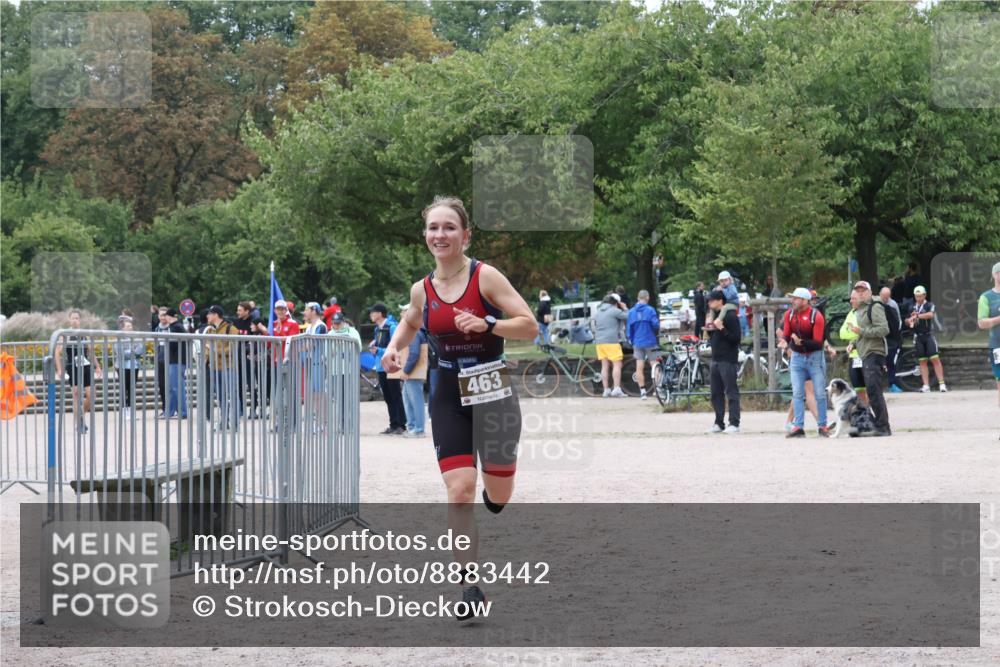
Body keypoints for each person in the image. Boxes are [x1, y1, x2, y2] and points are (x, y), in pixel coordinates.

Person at [381, 195, 537, 623]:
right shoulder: (422, 289)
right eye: (433, 227)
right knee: (459, 490)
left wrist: (489, 324)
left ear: (465, 235)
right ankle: (470, 585)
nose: (440, 235)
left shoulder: (485, 278)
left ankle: (497, 489)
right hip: (448, 393)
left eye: (449, 227)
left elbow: (530, 325)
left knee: (498, 494)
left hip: (492, 389)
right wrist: (395, 349)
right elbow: (412, 320)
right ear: (425, 236)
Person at [780, 287, 830, 438]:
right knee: (797, 393)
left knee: (820, 393)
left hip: (814, 357)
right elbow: (787, 335)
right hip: (797, 358)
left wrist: (800, 342)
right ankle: (798, 426)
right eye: (792, 298)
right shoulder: (789, 314)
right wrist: (784, 341)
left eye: (795, 298)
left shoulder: (817, 316)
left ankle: (822, 426)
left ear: (804, 300)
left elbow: (818, 343)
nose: (792, 301)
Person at [849, 281, 891, 436]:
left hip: (875, 353)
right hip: (866, 352)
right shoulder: (861, 309)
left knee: (874, 391)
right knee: (872, 391)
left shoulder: (875, 306)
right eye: (857, 291)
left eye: (862, 290)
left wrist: (862, 331)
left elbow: (883, 329)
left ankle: (883, 426)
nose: (859, 293)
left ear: (869, 292)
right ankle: (878, 424)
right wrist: (853, 343)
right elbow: (863, 333)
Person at [55, 310, 104, 435]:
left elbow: (91, 352)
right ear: (69, 319)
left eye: (77, 318)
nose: (75, 320)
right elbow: (57, 352)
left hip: (85, 366)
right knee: (76, 395)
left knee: (92, 394)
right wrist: (59, 369)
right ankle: (80, 423)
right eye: (73, 318)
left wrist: (98, 366)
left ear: (80, 319)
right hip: (73, 367)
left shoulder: (84, 334)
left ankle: (80, 414)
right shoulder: (65, 334)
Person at [705, 290, 741, 434]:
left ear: (720, 300)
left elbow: (736, 338)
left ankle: (734, 423)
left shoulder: (731, 316)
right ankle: (719, 423)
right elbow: (713, 337)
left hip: (728, 359)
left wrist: (722, 328)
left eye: (712, 300)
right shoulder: (714, 316)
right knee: (716, 393)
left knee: (731, 392)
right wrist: (709, 328)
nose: (709, 303)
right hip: (715, 358)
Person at [369, 303, 406, 435]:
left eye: (373, 312)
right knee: (388, 397)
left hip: (391, 366)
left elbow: (397, 347)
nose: (370, 315)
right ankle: (393, 424)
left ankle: (401, 424)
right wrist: (375, 346)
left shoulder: (392, 326)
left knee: (396, 395)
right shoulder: (377, 329)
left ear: (380, 313)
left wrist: (378, 350)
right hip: (380, 367)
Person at [204, 305, 241, 429]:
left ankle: (234, 422)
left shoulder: (231, 328)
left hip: (229, 366)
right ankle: (224, 421)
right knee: (220, 396)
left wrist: (214, 349)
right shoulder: (209, 329)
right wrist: (206, 359)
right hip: (214, 367)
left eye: (209, 314)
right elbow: (206, 347)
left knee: (232, 394)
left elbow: (232, 348)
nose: (207, 316)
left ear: (216, 315)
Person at [906, 286, 947, 393]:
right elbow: (907, 320)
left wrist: (918, 316)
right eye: (916, 296)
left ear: (925, 295)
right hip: (918, 337)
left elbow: (930, 315)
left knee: (935, 359)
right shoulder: (911, 307)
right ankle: (926, 385)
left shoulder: (929, 305)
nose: (918, 298)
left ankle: (942, 384)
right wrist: (909, 320)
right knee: (922, 361)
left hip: (929, 335)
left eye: (920, 296)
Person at [977, 261, 1000, 440]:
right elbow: (981, 322)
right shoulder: (986, 297)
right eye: (998, 272)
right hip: (997, 346)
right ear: (993, 275)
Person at [398, 307, 429, 438]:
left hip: (412, 373)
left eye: (404, 311)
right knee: (408, 399)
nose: (401, 314)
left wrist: (406, 370)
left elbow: (414, 353)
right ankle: (412, 426)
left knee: (415, 400)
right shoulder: (414, 331)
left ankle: (418, 428)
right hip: (412, 373)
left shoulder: (414, 333)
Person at [627, 289, 660, 400]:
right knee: (654, 365)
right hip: (650, 341)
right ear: (647, 297)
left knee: (639, 367)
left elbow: (629, 330)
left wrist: (632, 340)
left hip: (637, 342)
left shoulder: (631, 312)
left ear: (638, 298)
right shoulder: (650, 310)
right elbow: (655, 325)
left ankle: (643, 392)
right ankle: (657, 391)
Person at [594, 293, 628, 398]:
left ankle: (606, 390)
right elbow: (628, 316)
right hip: (611, 341)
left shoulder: (598, 312)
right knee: (617, 364)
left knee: (604, 366)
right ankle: (616, 389)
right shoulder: (614, 310)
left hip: (599, 342)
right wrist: (625, 308)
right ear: (615, 303)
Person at [112, 315, 144, 419]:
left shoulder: (136, 337)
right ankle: (123, 411)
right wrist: (132, 352)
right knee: (123, 388)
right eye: (128, 326)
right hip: (122, 366)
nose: (130, 327)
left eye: (131, 325)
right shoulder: (119, 338)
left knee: (131, 389)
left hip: (134, 366)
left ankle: (130, 411)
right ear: (123, 328)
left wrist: (131, 352)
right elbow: (120, 353)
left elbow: (140, 350)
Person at [840, 291, 868, 406]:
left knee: (870, 389)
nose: (851, 301)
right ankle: (864, 412)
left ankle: (873, 414)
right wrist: (855, 332)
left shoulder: (866, 312)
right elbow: (842, 333)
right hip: (853, 356)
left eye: (854, 299)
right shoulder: (851, 313)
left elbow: (864, 333)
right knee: (858, 388)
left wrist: (855, 331)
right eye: (851, 299)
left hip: (865, 355)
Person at [163, 308, 189, 419]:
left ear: (169, 316)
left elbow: (173, 344)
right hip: (175, 359)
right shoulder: (176, 327)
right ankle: (170, 411)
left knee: (177, 386)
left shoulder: (176, 327)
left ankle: (182, 412)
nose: (164, 318)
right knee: (172, 387)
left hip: (176, 360)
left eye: (166, 316)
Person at [878, 286, 905, 392]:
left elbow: (898, 321)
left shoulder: (893, 304)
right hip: (879, 338)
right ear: (880, 294)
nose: (885, 299)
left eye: (887, 297)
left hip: (892, 338)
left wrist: (895, 335)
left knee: (891, 362)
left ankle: (892, 384)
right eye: (883, 296)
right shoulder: (875, 304)